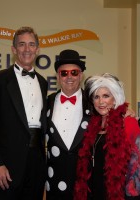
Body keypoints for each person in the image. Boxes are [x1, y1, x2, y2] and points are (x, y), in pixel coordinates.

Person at [0, 26, 47, 200]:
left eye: (31, 45)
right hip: (6, 168)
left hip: (36, 165)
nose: (27, 49)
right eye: (22, 44)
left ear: (37, 50)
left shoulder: (43, 82)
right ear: (14, 49)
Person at [74, 73, 140, 200]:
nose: (101, 102)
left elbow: (136, 167)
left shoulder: (128, 122)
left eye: (106, 96)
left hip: (117, 194)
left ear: (115, 98)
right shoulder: (93, 124)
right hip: (93, 191)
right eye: (96, 97)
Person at [45, 49, 91, 200]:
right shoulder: (46, 103)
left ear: (81, 75)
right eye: (64, 73)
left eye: (74, 72)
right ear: (58, 76)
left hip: (86, 184)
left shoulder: (94, 103)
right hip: (54, 183)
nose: (69, 77)